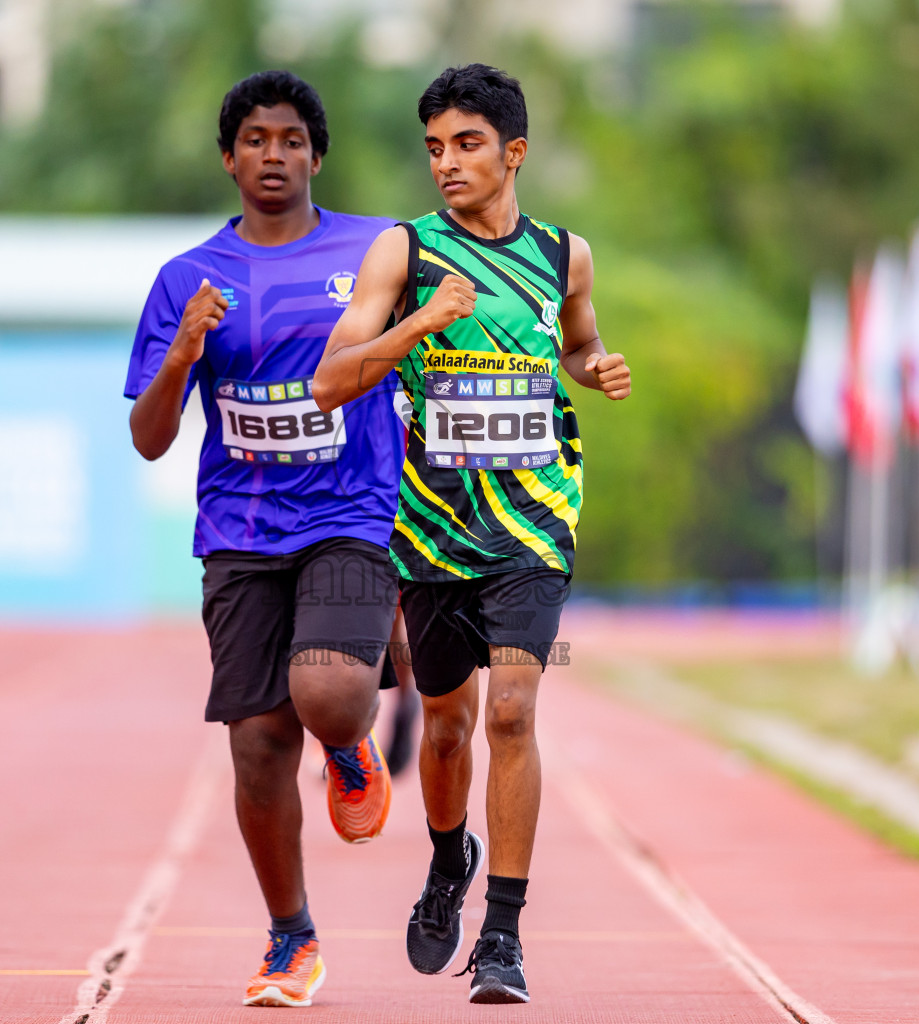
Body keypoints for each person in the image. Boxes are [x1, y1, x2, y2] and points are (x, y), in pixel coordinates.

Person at [313, 63, 632, 1005]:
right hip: (431, 527)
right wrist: (420, 323)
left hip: (533, 521)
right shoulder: (401, 255)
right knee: (447, 726)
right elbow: (333, 380)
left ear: (514, 152)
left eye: (466, 145)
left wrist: (595, 367)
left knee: (515, 712)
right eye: (434, 149)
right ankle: (450, 856)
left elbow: (573, 343)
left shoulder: (565, 253)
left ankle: (502, 936)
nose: (446, 165)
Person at [125, 70, 406, 1009]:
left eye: (291, 139)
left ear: (316, 155)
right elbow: (153, 437)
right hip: (240, 531)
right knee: (254, 747)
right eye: (255, 139)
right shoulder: (186, 281)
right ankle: (292, 938)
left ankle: (352, 740)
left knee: (324, 694)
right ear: (228, 157)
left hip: (351, 512)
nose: (273, 154)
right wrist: (179, 358)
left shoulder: (377, 252)